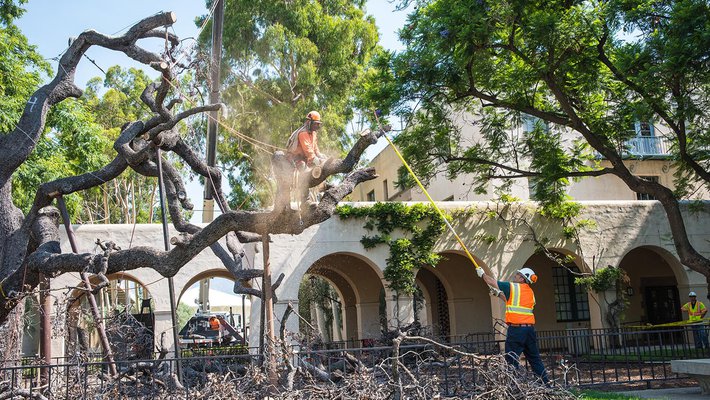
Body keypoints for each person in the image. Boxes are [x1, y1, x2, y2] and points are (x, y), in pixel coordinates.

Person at [478, 266, 550, 384]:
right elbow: (510, 300)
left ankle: (512, 386)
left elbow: (491, 281)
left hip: (516, 330)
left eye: (518, 274)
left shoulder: (512, 287)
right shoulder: (530, 292)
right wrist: (498, 294)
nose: (515, 275)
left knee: (511, 359)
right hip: (529, 330)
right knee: (535, 359)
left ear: (522, 279)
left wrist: (482, 274)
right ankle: (546, 384)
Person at [286, 111, 328, 175]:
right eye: (316, 123)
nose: (317, 126)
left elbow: (315, 148)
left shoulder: (313, 134)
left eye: (318, 124)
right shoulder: (303, 133)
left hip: (305, 158)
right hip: (295, 158)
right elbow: (308, 150)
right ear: (309, 122)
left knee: (317, 168)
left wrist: (321, 156)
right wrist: (317, 160)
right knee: (303, 166)